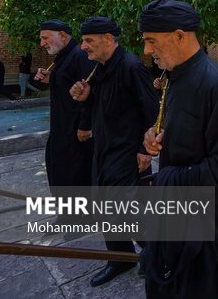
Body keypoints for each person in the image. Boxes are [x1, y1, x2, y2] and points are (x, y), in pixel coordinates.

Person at [140, 0, 218, 298]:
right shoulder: (175, 74)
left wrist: (169, 179)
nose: (147, 51)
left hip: (207, 225)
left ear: (179, 36)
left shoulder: (215, 84)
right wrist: (154, 133)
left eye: (152, 41)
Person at [69, 16, 159, 287]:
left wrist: (146, 151)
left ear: (108, 39)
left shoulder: (132, 67)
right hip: (104, 151)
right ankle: (120, 258)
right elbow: (101, 109)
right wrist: (86, 98)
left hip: (129, 155)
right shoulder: (98, 69)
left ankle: (156, 256)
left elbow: (153, 112)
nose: (83, 47)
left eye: (88, 41)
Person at [34, 20, 94, 201]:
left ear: (62, 35)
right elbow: (67, 83)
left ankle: (80, 219)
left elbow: (90, 92)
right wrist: (49, 79)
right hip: (61, 128)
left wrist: (85, 125)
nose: (42, 43)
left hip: (75, 131)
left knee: (75, 175)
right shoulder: (63, 56)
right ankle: (66, 214)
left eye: (45, 38)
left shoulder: (79, 55)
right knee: (59, 171)